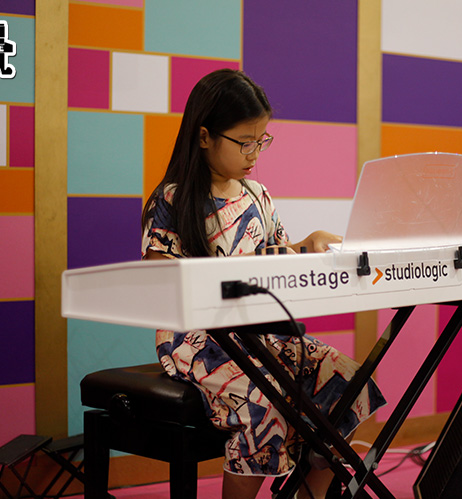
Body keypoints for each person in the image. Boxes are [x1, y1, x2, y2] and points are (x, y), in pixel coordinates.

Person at [141, 68, 386, 499]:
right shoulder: (174, 200)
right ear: (203, 137)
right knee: (263, 401)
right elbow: (161, 282)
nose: (255, 152)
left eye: (262, 140)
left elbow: (273, 257)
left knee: (347, 382)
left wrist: (307, 247)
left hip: (258, 334)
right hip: (196, 338)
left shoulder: (258, 196)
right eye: (244, 142)